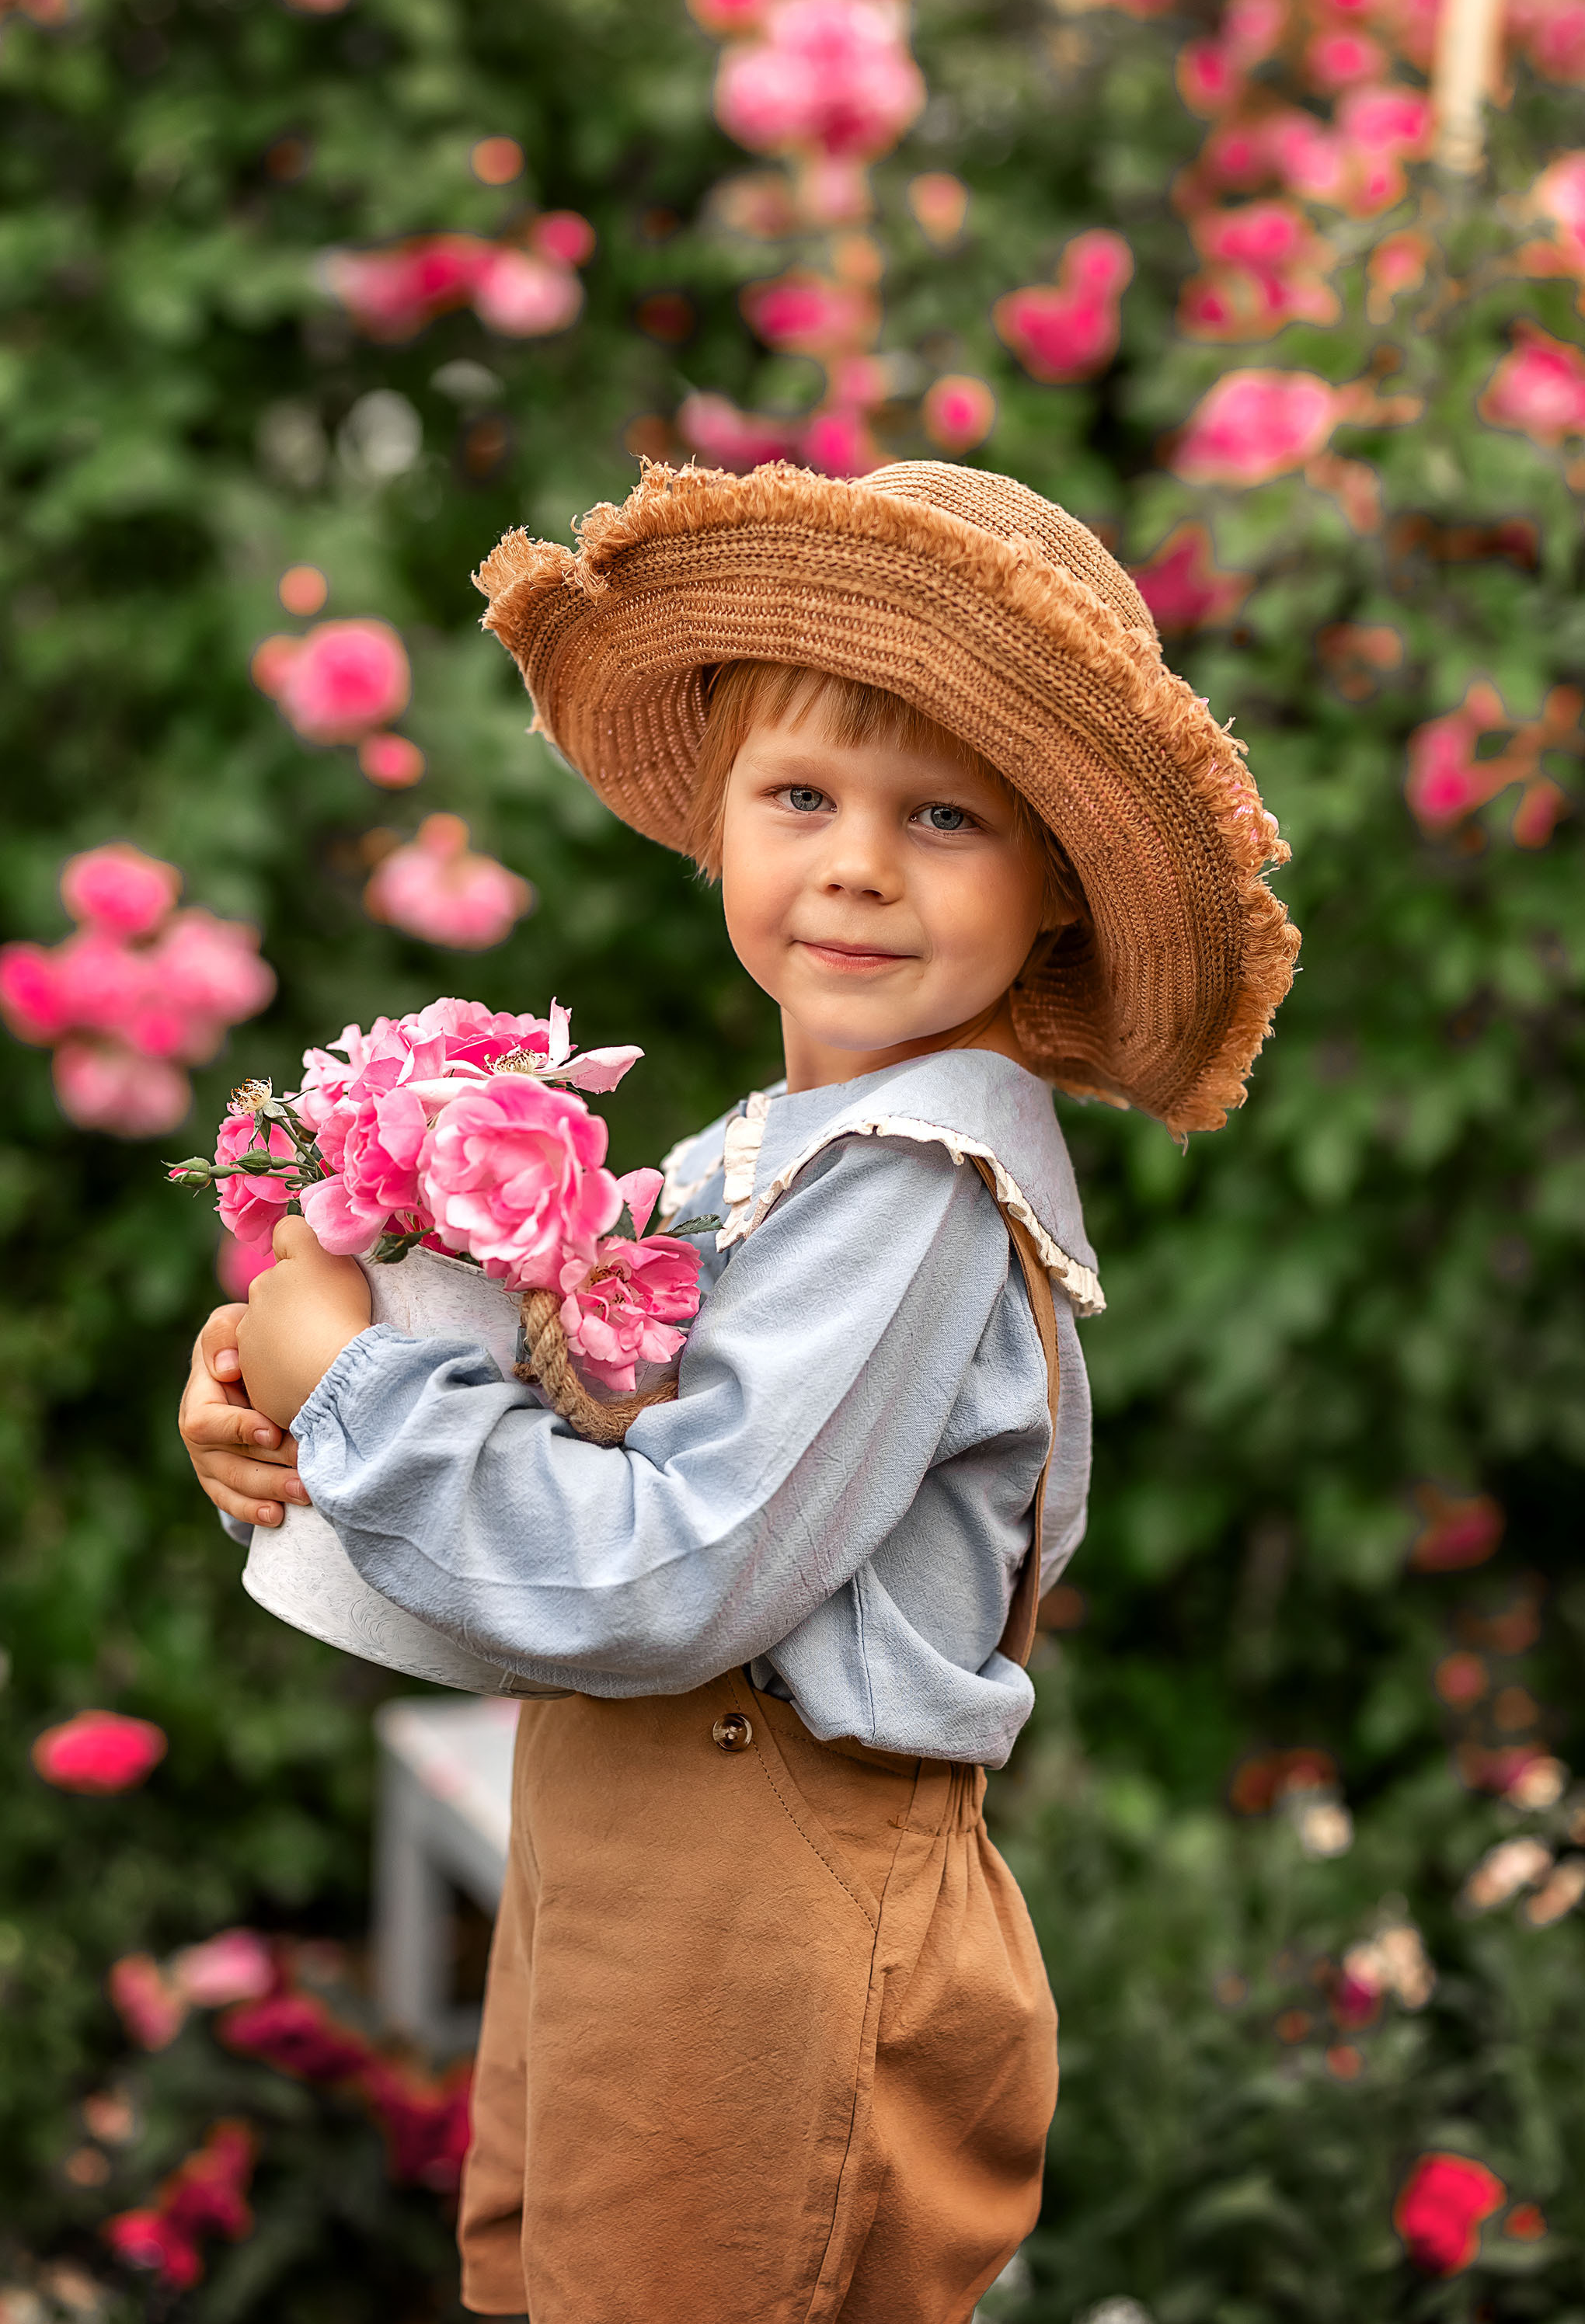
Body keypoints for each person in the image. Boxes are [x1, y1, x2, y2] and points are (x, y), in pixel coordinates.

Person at [179, 459, 1298, 2323]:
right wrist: (278, 1408)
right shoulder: (759, 1161)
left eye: (943, 816)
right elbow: (542, 1448)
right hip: (631, 1842)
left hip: (772, 1883)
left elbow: (667, 1571)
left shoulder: (919, 1192)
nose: (855, 862)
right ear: (724, 826)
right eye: (802, 797)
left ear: (1056, 898)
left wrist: (363, 1394)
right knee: (559, 2283)